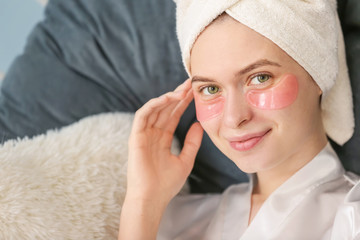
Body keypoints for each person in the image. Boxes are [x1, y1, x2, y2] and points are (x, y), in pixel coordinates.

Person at [118, 0, 360, 239]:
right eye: (211, 89)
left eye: (260, 78)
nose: (234, 118)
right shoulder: (171, 221)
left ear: (317, 73)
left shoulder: (353, 217)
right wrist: (142, 201)